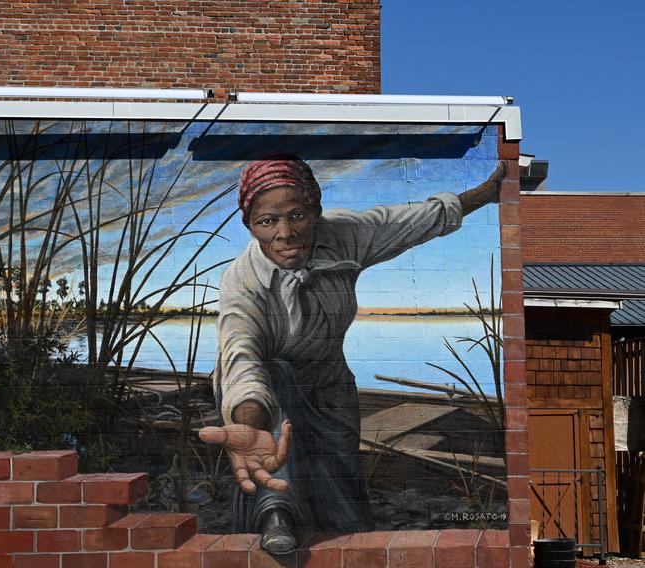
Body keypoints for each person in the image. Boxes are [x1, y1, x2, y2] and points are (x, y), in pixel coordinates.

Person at [199, 152, 504, 554]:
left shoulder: (343, 233)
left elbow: (411, 222)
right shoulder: (242, 281)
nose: (285, 233)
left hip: (328, 379)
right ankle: (275, 518)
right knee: (274, 408)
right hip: (265, 387)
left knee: (343, 499)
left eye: (297, 216)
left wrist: (486, 193)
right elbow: (243, 357)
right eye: (267, 221)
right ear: (251, 226)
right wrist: (250, 423)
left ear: (316, 211)